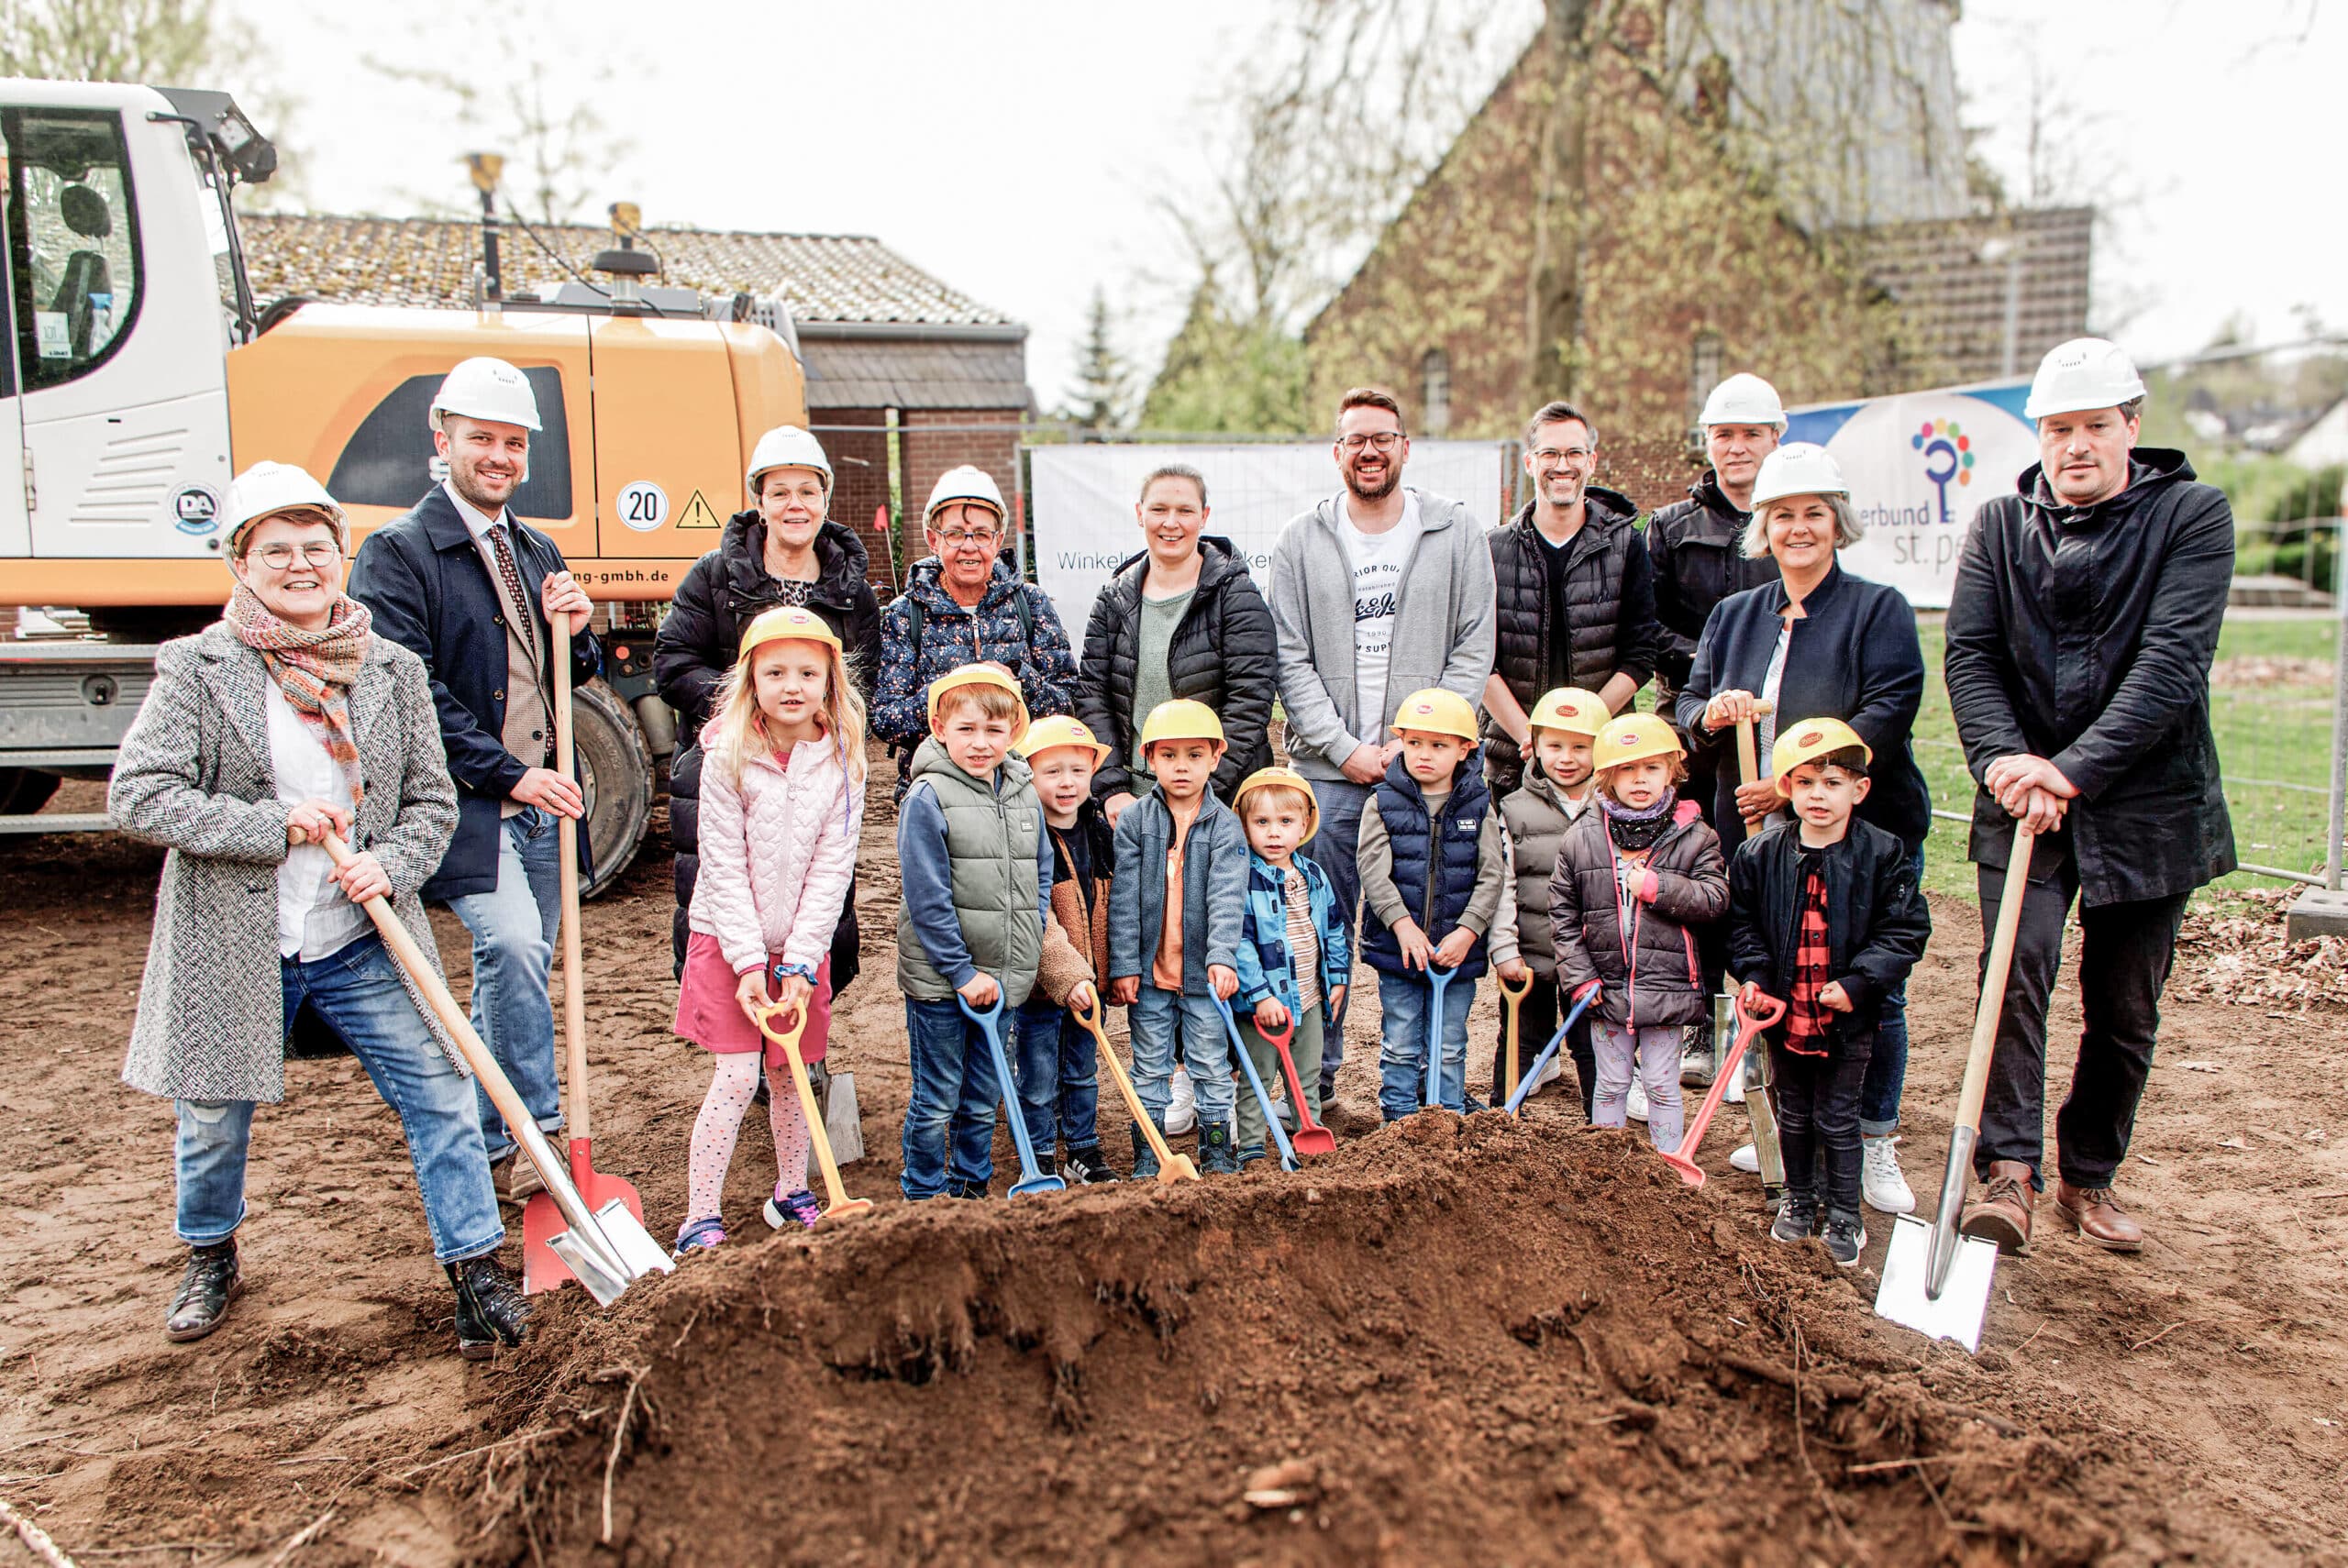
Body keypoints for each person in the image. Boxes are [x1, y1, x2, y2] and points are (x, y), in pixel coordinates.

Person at [110, 462, 526, 1356]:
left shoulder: (390, 670)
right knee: (214, 1115)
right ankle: (210, 1250)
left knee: (443, 1091)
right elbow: (140, 795)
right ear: (242, 563)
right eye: (277, 551)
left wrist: (391, 864)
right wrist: (272, 825)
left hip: (357, 936)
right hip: (235, 939)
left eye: (316, 548)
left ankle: (476, 1273)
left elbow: (431, 803)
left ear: (340, 556)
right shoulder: (198, 668)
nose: (300, 565)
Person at [1945, 337, 2236, 1256]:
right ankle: (2008, 1171)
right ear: (2040, 433)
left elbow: (2171, 666)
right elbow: (1971, 655)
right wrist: (2002, 762)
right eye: (2058, 428)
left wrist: (2069, 770)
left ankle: (2088, 1172)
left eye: (2094, 427)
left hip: (2148, 803)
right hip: (2020, 800)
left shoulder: (2190, 516)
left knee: (2124, 1007)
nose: (2075, 445)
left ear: (2130, 428)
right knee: (2013, 977)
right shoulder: (1999, 523)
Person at [347, 357, 600, 1206]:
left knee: (516, 973)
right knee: (515, 948)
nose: (499, 456)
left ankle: (494, 1131)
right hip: (467, 805)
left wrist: (582, 625)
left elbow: (570, 676)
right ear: (442, 440)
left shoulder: (534, 547)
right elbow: (408, 692)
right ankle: (539, 1133)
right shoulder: (398, 554)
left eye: (512, 443)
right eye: (481, 439)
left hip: (540, 804)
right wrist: (512, 776)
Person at [1675, 441, 1930, 1214]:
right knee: (1779, 982)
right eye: (1781, 515)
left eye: (1813, 514)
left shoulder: (1877, 610)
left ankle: (1874, 1139)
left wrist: (1789, 786)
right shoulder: (1733, 616)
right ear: (1762, 526)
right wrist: (1709, 713)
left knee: (1866, 990)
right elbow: (1686, 707)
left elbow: (1887, 709)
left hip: (1859, 840)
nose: (1797, 529)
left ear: (1837, 522)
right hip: (1761, 844)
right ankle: (1795, 1130)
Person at [1270, 388, 1497, 1108]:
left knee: (1429, 926)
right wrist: (1344, 750)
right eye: (1356, 440)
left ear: (1405, 447)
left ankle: (1430, 1095)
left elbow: (1474, 646)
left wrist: (1419, 743)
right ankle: (1318, 1083)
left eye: (1384, 438)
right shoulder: (1299, 542)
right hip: (1331, 777)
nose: (1370, 451)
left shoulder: (1454, 533)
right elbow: (1289, 657)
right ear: (1337, 451)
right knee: (1320, 932)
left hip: (1431, 776)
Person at [654, 425, 881, 998]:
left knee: (814, 893)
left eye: (807, 491)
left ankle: (801, 1036)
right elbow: (674, 660)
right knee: (729, 896)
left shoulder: (850, 591)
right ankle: (743, 1044)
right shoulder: (715, 577)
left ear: (825, 500)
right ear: (759, 501)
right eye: (779, 491)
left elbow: (863, 679)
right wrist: (746, 716)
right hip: (734, 768)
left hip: (815, 771)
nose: (794, 505)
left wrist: (816, 727)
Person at [670, 608, 865, 1254]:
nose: (792, 685)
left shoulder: (844, 758)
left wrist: (802, 963)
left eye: (808, 672)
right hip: (729, 941)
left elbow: (832, 868)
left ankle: (791, 1191)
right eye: (776, 670)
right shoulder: (728, 754)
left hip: (798, 947)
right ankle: (701, 1213)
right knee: (734, 1076)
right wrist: (751, 965)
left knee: (790, 1074)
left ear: (829, 679)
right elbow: (721, 865)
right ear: (751, 676)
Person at [1727, 720, 1931, 1267]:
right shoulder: (1760, 855)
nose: (1820, 795)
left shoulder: (1884, 855)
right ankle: (1798, 1198)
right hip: (1785, 1011)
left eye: (1834, 782)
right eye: (1807, 782)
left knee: (1839, 1116)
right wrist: (1755, 978)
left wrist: (1861, 983)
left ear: (1859, 790)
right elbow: (1741, 925)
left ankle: (1845, 1212)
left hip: (1848, 1017)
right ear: (1787, 787)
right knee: (1793, 1112)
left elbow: (1904, 931)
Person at [894, 666, 1058, 1201]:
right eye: (966, 730)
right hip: (943, 982)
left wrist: (1032, 930)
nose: (981, 743)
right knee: (939, 1095)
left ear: (1014, 731)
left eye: (994, 730)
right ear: (939, 728)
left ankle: (970, 1188)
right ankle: (922, 1190)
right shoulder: (927, 796)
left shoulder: (1023, 791)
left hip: (1006, 975)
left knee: (985, 1092)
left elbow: (1040, 871)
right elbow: (927, 898)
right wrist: (962, 972)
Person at [1548, 715, 1728, 1153]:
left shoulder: (1696, 837)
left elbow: (1714, 898)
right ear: (1607, 776)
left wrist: (1658, 887)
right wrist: (1580, 977)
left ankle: (1668, 1167)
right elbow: (1563, 914)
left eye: (1651, 768)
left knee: (1662, 1086)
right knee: (1610, 1084)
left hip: (1667, 990)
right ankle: (1608, 1166)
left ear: (1673, 770)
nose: (1640, 779)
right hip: (1605, 989)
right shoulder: (1582, 838)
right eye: (1627, 769)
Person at [1076, 464, 1277, 824]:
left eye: (1185, 511)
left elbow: (1249, 702)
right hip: (1133, 807)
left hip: (1216, 805)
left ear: (1204, 517)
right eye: (1159, 510)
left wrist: (1203, 790)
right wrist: (1111, 787)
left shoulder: (1236, 595)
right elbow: (1093, 696)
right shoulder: (1113, 598)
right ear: (1140, 514)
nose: (1171, 523)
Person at [1480, 402, 1659, 796]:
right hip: (1514, 757)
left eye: (1574, 453)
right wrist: (1531, 739)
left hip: (1603, 752)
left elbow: (1641, 653)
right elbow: (1481, 660)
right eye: (1550, 454)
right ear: (1530, 462)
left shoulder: (1626, 544)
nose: (1563, 465)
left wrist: (1584, 730)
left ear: (1591, 461)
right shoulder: (1492, 550)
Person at [871, 466, 1080, 798]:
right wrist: (951, 690)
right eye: (955, 534)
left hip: (1021, 795)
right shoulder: (905, 614)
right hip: (935, 797)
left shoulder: (1031, 603)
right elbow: (886, 720)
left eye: (981, 535)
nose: (969, 547)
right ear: (933, 539)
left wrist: (1017, 678)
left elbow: (1069, 702)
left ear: (998, 540)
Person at [1106, 701, 1249, 1176]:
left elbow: (1228, 899)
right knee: (1149, 1066)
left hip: (1202, 975)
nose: (1181, 766)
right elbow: (1123, 899)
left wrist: (1222, 957)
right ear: (1149, 759)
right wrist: (1125, 965)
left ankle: (1217, 1153)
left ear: (1215, 757)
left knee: (1209, 1062)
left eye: (1194, 754)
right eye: (1169, 755)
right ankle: (1151, 1155)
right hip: (1148, 975)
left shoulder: (1226, 825)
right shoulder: (1134, 822)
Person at [1356, 689, 1509, 1121]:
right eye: (1414, 742)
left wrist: (1469, 930)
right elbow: (1373, 871)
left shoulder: (1479, 806)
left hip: (1457, 951)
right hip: (1398, 949)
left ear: (1465, 749)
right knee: (1401, 1041)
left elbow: (1491, 874)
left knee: (1450, 1043)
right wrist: (1401, 925)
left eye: (1439, 745)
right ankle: (1399, 1120)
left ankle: (1448, 1116)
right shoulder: (1382, 803)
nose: (1424, 754)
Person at [1486, 688, 1607, 1118]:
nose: (1566, 757)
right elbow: (1502, 886)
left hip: (1592, 961)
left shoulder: (1612, 810)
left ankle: (1602, 1128)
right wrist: (1504, 948)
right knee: (1520, 1039)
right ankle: (1501, 1123)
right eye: (1554, 745)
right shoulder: (1514, 809)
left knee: (1592, 1046)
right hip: (1531, 956)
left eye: (1581, 747)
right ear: (1533, 745)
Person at [1649, 373, 1788, 747]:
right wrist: (1705, 658)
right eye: (1724, 435)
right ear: (1708, 441)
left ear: (1775, 438)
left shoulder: (1796, 527)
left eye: (1751, 434)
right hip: (1686, 710)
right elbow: (1644, 623)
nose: (1736, 448)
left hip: (1778, 708)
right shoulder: (1669, 526)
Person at [1013, 715, 1120, 1185]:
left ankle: (1083, 1149)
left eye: (1077, 770)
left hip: (1090, 986)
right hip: (1042, 989)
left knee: (1081, 1070)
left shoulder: (1100, 833)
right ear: (1028, 773)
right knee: (1037, 1079)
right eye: (1052, 771)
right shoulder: (1026, 835)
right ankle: (1037, 1155)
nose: (1066, 782)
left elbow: (1114, 906)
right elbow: (1035, 918)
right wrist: (1066, 975)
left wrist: (1109, 973)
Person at [1229, 767, 1352, 1165]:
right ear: (1246, 827)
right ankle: (1250, 1147)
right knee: (1257, 1077)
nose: (1274, 833)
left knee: (1306, 1074)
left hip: (1310, 997)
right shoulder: (1243, 879)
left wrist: (1337, 978)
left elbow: (1334, 928)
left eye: (1285, 822)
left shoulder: (1314, 876)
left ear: (1304, 826)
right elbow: (1240, 943)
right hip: (1262, 1005)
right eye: (1262, 822)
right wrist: (1260, 995)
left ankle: (1308, 1134)